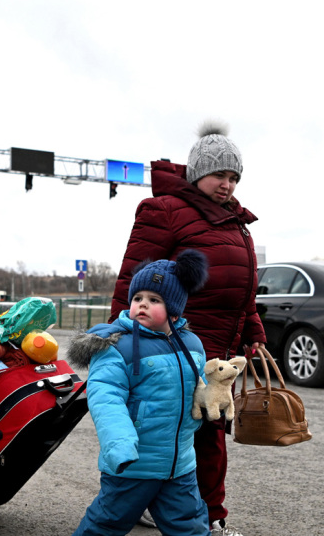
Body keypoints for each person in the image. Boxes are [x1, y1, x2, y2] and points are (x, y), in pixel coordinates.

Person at [109, 121, 266, 535]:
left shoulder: (237, 225)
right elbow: (133, 281)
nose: (228, 184)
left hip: (219, 352)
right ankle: (197, 515)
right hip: (174, 347)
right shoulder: (165, 212)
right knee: (179, 433)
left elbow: (243, 291)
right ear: (197, 174)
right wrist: (115, 337)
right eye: (219, 175)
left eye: (234, 177)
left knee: (206, 433)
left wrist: (254, 334)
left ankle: (199, 512)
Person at [67, 250, 211, 536]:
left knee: (190, 526)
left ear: (174, 308)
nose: (143, 304)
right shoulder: (116, 346)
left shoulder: (192, 343)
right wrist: (119, 443)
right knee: (105, 524)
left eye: (154, 300)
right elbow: (105, 398)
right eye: (138, 298)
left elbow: (200, 388)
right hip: (133, 464)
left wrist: (211, 403)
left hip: (180, 464)